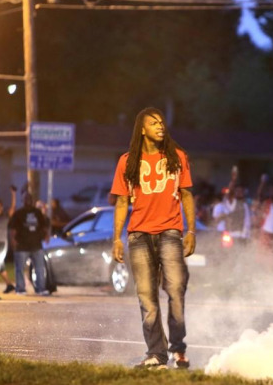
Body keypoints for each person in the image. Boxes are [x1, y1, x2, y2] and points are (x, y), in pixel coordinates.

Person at [110, 107, 196, 370]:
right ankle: (156, 354)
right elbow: (122, 201)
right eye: (153, 122)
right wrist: (117, 238)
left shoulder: (177, 157)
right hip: (138, 236)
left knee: (175, 291)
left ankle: (178, 350)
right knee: (147, 298)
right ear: (142, 129)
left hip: (170, 232)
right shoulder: (127, 161)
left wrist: (191, 231)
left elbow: (187, 195)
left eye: (162, 122)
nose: (160, 126)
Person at [9, 192, 49, 295]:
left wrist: (46, 236)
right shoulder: (18, 213)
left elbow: (44, 226)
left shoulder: (37, 212)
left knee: (40, 268)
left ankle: (40, 288)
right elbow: (13, 229)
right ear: (22, 200)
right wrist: (13, 240)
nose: (28, 200)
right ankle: (20, 289)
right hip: (22, 245)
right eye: (25, 198)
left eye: (29, 198)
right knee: (20, 269)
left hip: (36, 245)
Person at [212, 166, 251, 246]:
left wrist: (247, 236)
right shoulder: (232, 202)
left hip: (243, 237)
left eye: (241, 191)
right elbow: (230, 192)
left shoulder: (245, 204)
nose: (240, 193)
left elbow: (247, 221)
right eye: (238, 191)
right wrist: (233, 179)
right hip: (232, 236)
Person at [254, 174, 273, 271]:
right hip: (265, 233)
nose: (272, 192)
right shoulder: (267, 202)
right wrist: (262, 183)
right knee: (266, 256)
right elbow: (259, 195)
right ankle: (264, 273)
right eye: (271, 191)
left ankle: (270, 273)